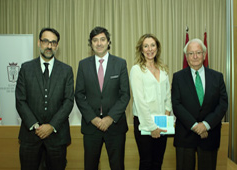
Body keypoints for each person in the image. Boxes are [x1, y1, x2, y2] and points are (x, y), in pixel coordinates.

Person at [15, 27, 74, 170]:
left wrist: (51, 126)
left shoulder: (66, 70)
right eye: (46, 41)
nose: (49, 46)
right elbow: (20, 100)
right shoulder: (26, 68)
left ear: (57, 46)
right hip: (30, 137)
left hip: (57, 137)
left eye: (53, 43)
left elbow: (68, 101)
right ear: (39, 43)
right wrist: (36, 126)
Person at [75, 26, 130, 170]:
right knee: (90, 166)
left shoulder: (120, 64)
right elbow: (79, 95)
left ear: (108, 42)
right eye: (95, 40)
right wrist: (93, 119)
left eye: (102, 39)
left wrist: (109, 118)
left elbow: (125, 95)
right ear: (91, 44)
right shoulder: (83, 65)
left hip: (115, 126)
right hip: (91, 127)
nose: (99, 43)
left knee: (117, 166)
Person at [171, 38, 228, 170]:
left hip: (210, 134)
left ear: (204, 54)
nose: (195, 56)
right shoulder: (178, 77)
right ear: (186, 57)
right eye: (191, 53)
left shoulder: (217, 77)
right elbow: (176, 104)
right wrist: (195, 126)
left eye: (198, 52)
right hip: (185, 134)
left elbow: (223, 104)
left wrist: (206, 125)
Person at [129, 34, 172, 170]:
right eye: (146, 46)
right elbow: (140, 101)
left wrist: (165, 117)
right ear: (141, 50)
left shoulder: (164, 70)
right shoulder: (136, 70)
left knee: (158, 162)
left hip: (162, 122)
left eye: (153, 45)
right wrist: (152, 127)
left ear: (157, 48)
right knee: (146, 162)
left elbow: (168, 96)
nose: (150, 49)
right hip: (144, 123)